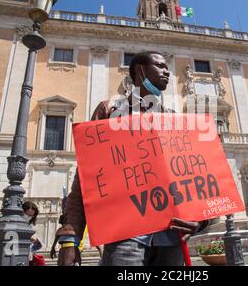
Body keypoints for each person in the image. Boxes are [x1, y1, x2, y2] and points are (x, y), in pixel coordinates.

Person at [56, 51, 209, 266]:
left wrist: (201, 220)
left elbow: (192, 175)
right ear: (140, 70)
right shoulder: (108, 112)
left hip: (170, 240)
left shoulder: (173, 119)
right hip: (125, 237)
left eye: (167, 67)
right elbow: (86, 179)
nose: (167, 71)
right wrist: (69, 239)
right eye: (160, 66)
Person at [22, 201, 45, 266]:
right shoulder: (16, 222)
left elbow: (35, 246)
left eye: (31, 215)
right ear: (23, 212)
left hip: (28, 255)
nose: (29, 217)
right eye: (28, 214)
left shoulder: (30, 225)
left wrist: (36, 241)